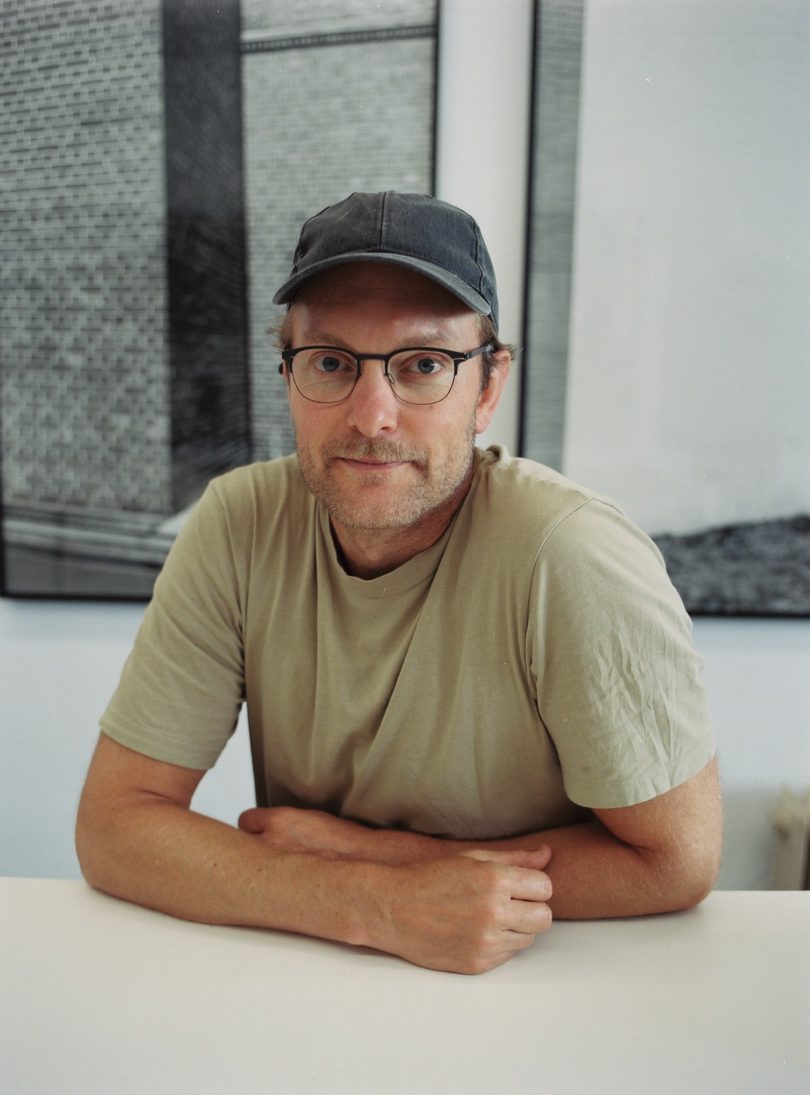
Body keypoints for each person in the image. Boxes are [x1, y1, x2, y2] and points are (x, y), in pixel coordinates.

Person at [76, 191, 722, 975]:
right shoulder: (238, 524)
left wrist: (380, 855)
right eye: (331, 362)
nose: (371, 415)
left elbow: (676, 860)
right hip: (313, 981)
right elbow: (113, 824)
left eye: (423, 365)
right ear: (288, 375)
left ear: (488, 387)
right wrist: (374, 901)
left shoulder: (571, 555)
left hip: (538, 982)